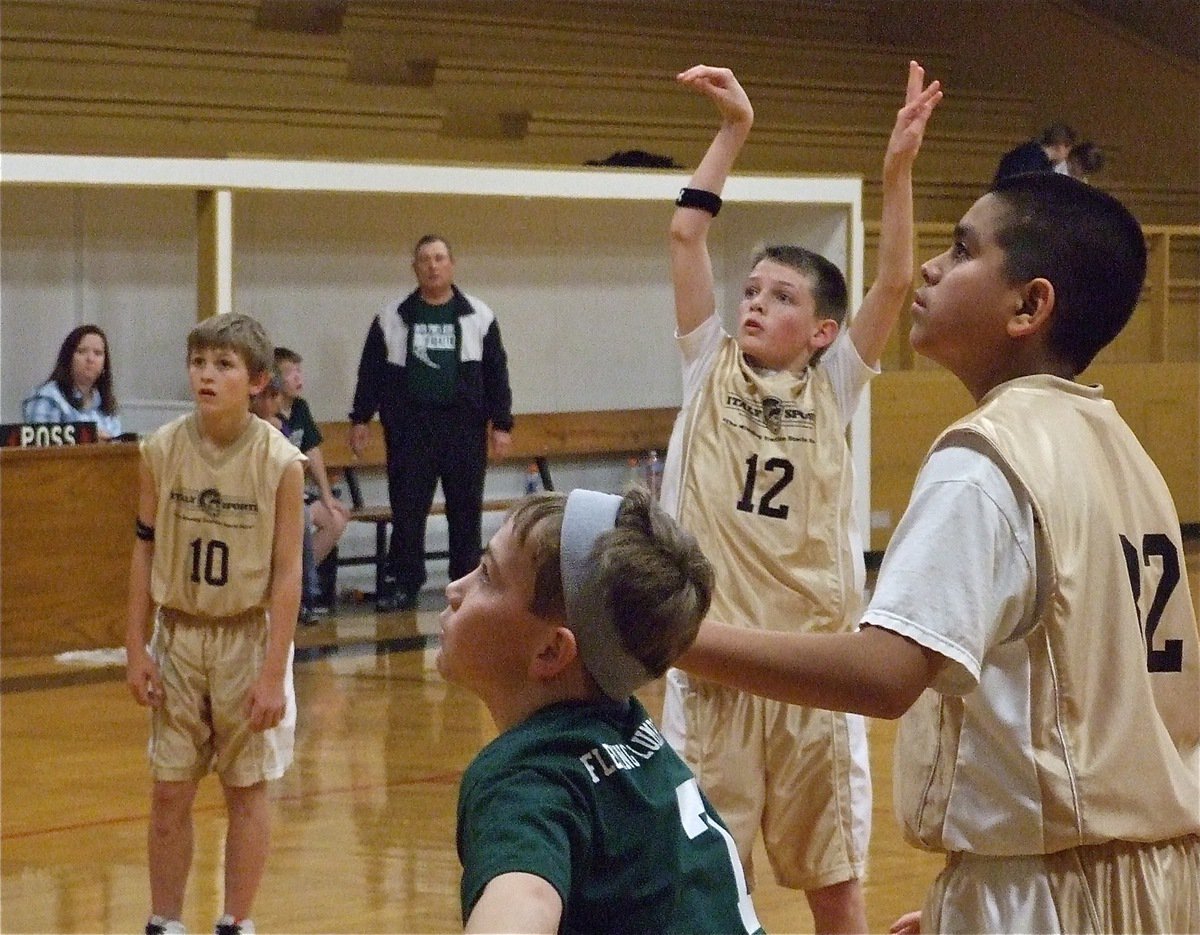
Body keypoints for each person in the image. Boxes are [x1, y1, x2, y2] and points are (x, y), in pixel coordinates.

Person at [678, 171, 1200, 934]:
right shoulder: (1124, 448)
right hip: (1150, 872)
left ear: (1030, 305)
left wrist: (673, 636)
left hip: (1059, 887)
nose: (929, 267)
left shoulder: (988, 456)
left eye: (960, 250)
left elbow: (886, 676)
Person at [658, 62, 942, 932]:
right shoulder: (707, 364)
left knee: (835, 886)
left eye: (781, 297)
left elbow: (894, 281)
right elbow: (683, 236)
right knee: (711, 882)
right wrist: (733, 131)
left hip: (816, 671)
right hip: (715, 664)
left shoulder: (836, 382)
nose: (753, 305)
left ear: (822, 331)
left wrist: (896, 174)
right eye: (751, 290)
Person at [443, 486, 764, 934]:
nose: (454, 589)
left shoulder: (528, 777)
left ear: (552, 651)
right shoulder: (633, 732)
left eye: (486, 576)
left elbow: (524, 896)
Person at [125, 313, 307, 935]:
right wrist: (134, 646)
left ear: (257, 380)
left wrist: (274, 673)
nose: (207, 374)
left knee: (245, 789)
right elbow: (143, 548)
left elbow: (288, 576)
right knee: (169, 791)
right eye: (199, 362)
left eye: (223, 365)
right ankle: (165, 921)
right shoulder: (160, 449)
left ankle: (236, 921)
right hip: (177, 634)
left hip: (246, 638)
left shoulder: (281, 462)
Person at [349, 234, 514, 612]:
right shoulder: (391, 317)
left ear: (452, 264)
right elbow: (370, 372)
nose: (433, 265)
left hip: (464, 430)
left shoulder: (479, 316)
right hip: (410, 430)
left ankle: (466, 586)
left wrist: (501, 424)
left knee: (465, 510)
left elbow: (496, 373)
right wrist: (361, 418)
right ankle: (406, 584)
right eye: (425, 259)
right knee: (407, 510)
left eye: (440, 258)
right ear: (415, 268)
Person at [274, 347, 349, 614]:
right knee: (301, 520)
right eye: (291, 372)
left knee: (336, 518)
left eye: (299, 371)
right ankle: (295, 588)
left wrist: (327, 495)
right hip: (276, 494)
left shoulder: (300, 408)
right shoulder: (265, 414)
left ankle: (299, 581)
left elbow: (312, 451)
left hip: (299, 491)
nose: (298, 378)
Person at [23, 323, 122, 438]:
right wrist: (88, 438)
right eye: (82, 351)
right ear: (68, 358)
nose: (90, 359)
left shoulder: (106, 404)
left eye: (98, 353)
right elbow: (40, 451)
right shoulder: (49, 398)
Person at [993, 122, 1076, 182]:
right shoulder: (1035, 162)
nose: (1066, 156)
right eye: (1068, 150)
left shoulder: (1025, 151)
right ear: (1061, 146)